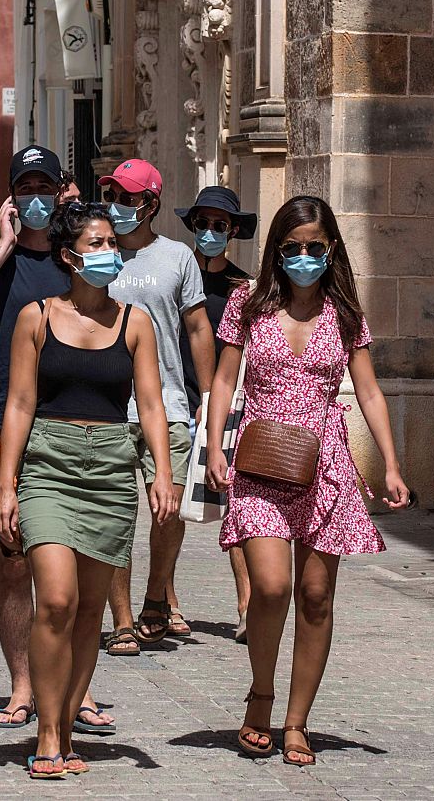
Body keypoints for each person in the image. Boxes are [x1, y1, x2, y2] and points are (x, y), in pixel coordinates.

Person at [206, 195, 410, 767]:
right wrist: (215, 447)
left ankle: (296, 722)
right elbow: (225, 380)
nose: (302, 257)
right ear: (275, 249)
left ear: (331, 249)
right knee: (270, 587)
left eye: (313, 247)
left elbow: (367, 390)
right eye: (291, 248)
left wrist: (391, 465)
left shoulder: (345, 311)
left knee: (316, 596)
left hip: (326, 463)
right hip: (262, 458)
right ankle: (261, 696)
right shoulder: (248, 302)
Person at [0, 203, 177, 779]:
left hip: (110, 471)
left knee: (91, 611)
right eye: (95, 244)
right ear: (69, 256)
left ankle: (68, 727)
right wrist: (6, 486)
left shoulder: (135, 322)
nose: (107, 252)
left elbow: (150, 404)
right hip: (49, 464)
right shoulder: (37, 317)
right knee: (57, 601)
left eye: (110, 242)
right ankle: (46, 734)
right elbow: (19, 404)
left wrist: (162, 474)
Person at [0, 145, 112, 734]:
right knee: (14, 564)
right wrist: (6, 245)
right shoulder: (0, 258)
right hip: (0, 428)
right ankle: (22, 684)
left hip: (68, 428)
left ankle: (72, 689)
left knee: (77, 571)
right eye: (26, 188)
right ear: (12, 197)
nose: (36, 197)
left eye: (46, 186)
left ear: (60, 189)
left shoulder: (78, 258)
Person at [99, 159, 216, 653]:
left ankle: (155, 598)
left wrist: (211, 401)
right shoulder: (97, 252)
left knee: (167, 511)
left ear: (150, 203)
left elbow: (197, 328)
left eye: (127, 198)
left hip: (167, 403)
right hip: (106, 404)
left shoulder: (177, 258)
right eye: (112, 196)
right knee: (113, 514)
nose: (117, 207)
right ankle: (122, 618)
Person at [176, 186, 257, 642]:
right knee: (167, 505)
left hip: (227, 402)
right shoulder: (177, 274)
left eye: (219, 225)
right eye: (202, 223)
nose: (209, 232)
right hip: (176, 396)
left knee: (236, 508)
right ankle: (164, 599)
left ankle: (246, 607)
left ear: (232, 232)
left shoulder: (244, 288)